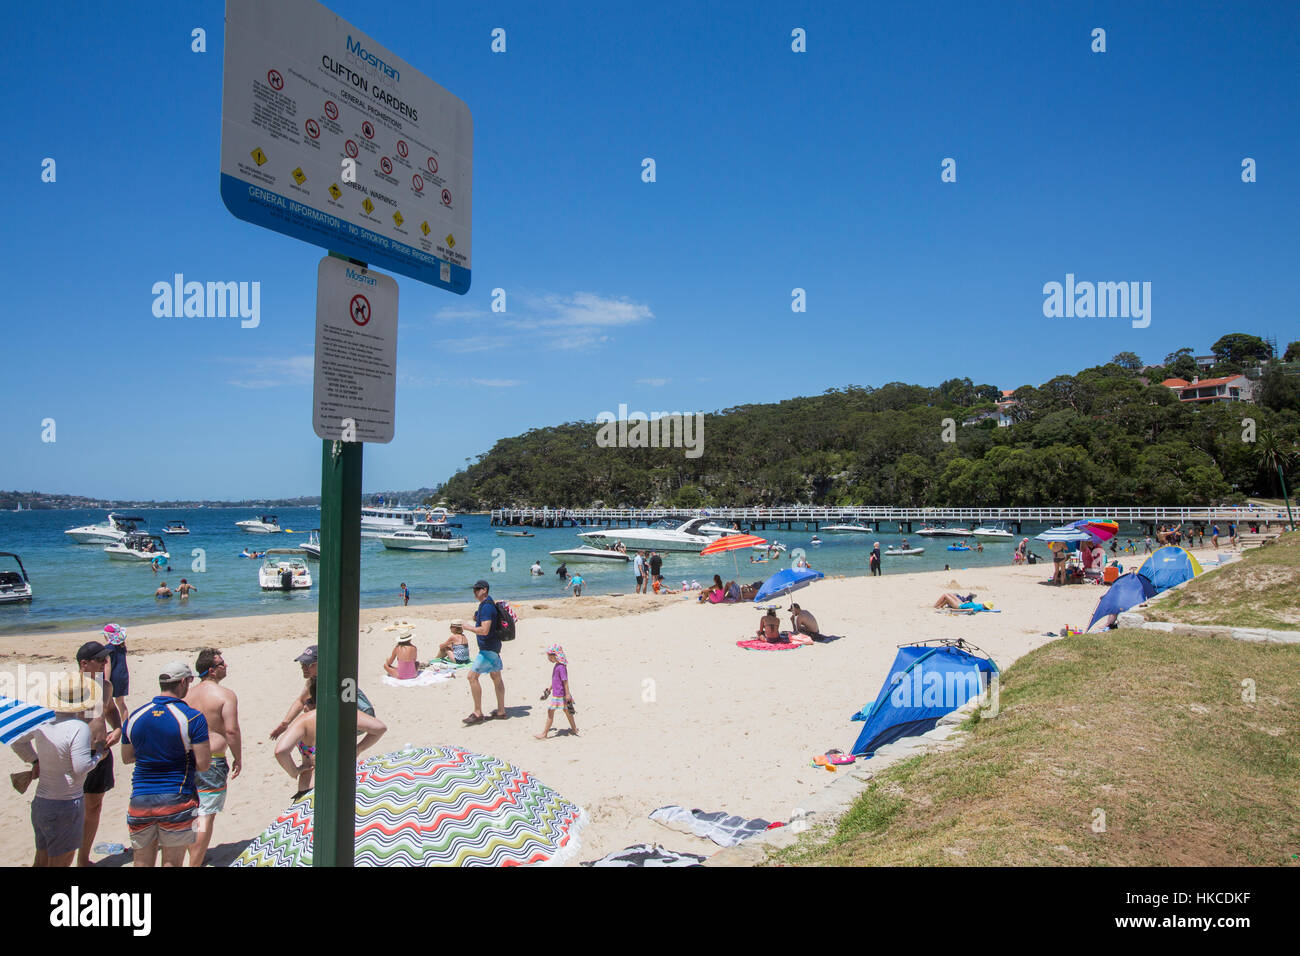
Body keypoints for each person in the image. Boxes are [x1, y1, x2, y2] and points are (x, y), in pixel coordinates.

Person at [9, 673, 107, 867]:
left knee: (41, 860)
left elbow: (17, 742)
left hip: (41, 804)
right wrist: (99, 756)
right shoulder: (78, 727)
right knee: (61, 862)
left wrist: (35, 760)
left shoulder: (42, 723)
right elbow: (80, 768)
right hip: (66, 804)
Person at [121, 661, 211, 868]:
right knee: (172, 862)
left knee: (141, 862)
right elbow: (204, 764)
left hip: (140, 798)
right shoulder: (192, 717)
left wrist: (154, 753)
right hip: (176, 796)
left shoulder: (135, 716)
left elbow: (127, 757)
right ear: (182, 682)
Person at [275, 678, 387, 798]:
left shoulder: (303, 721)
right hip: (340, 783)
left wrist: (295, 771)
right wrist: (357, 749)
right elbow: (380, 728)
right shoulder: (343, 713)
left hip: (309, 785)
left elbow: (280, 752)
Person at [184, 649, 241, 867]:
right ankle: (195, 863)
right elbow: (232, 731)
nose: (226, 666)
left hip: (188, 758)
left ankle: (195, 856)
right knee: (206, 813)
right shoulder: (225, 695)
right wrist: (238, 757)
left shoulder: (187, 695)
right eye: (222, 664)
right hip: (213, 758)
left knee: (193, 810)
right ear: (211, 670)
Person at [73, 642, 122, 867]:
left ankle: (83, 859)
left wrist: (119, 728)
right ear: (84, 663)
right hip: (76, 755)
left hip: (101, 753)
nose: (105, 663)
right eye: (100, 659)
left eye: (106, 659)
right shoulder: (70, 688)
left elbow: (110, 709)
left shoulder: (105, 685)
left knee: (94, 806)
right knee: (72, 808)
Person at [270, 645, 375, 740]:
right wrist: (285, 723)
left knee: (308, 718)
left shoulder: (338, 681)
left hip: (355, 721)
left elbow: (367, 711)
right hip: (335, 722)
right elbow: (301, 701)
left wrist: (359, 748)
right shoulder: (314, 680)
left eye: (308, 664)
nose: (303, 667)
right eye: (302, 663)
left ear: (322, 664)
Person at [461, 580, 506, 725]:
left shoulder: (486, 607)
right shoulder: (488, 603)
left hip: (487, 649)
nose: (474, 592)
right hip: (494, 647)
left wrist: (468, 627)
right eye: (474, 590)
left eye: (477, 590)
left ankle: (478, 713)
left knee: (472, 677)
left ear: (484, 590)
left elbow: (484, 630)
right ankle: (501, 711)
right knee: (496, 677)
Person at [534, 645, 578, 740]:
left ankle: (544, 734)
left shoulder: (561, 667)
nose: (549, 659)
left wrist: (567, 694)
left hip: (560, 694)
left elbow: (565, 681)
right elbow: (555, 680)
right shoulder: (558, 666)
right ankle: (574, 729)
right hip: (558, 693)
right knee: (567, 711)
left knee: (550, 711)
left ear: (555, 656)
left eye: (549, 656)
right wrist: (549, 689)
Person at [101, 624, 130, 725]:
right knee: (121, 702)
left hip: (113, 677)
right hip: (123, 675)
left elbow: (107, 666)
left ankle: (111, 726)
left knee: (106, 703)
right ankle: (126, 728)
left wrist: (106, 681)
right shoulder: (122, 647)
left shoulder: (107, 649)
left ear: (107, 636)